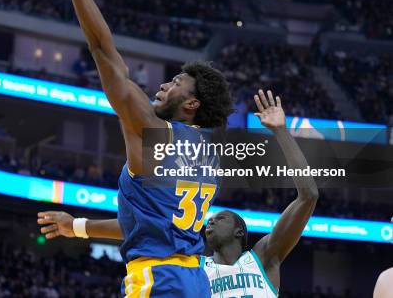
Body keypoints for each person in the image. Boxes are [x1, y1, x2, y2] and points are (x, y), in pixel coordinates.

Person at [25, 0, 233, 297]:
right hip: (195, 283)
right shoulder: (209, 155)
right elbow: (146, 225)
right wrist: (77, 227)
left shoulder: (152, 132)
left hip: (158, 281)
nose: (165, 84)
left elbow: (104, 50)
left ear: (191, 103)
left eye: (176, 83)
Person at [37, 91, 318, 297]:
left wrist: (281, 131)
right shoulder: (193, 267)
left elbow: (308, 195)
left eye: (220, 218)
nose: (210, 220)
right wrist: (76, 227)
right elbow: (142, 227)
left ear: (239, 232)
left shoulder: (263, 258)